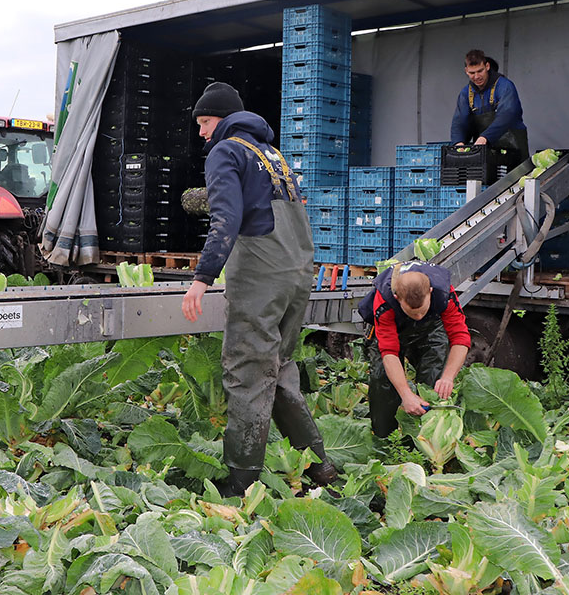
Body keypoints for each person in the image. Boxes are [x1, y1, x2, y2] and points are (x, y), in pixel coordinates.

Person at [181, 81, 336, 497]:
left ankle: (240, 482)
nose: (202, 132)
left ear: (224, 119)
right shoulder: (273, 155)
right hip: (297, 274)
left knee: (249, 374)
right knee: (279, 371)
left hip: (261, 278)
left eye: (205, 122)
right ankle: (320, 467)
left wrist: (201, 278)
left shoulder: (226, 151)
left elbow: (226, 218)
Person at [357, 261, 471, 438]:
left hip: (431, 326)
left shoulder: (444, 295)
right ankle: (386, 439)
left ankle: (424, 437)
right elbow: (389, 352)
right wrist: (406, 395)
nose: (418, 316)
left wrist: (448, 377)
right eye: (413, 313)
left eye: (421, 311)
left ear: (430, 293)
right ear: (397, 298)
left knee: (434, 376)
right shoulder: (385, 301)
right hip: (394, 326)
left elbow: (461, 338)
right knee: (382, 379)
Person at [451, 49, 530, 164]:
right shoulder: (465, 93)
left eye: (480, 71)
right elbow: (459, 121)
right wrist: (458, 143)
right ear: (466, 71)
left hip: (514, 149)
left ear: (487, 66)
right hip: (485, 154)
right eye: (472, 73)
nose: (477, 76)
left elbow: (507, 114)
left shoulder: (504, 86)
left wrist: (485, 138)